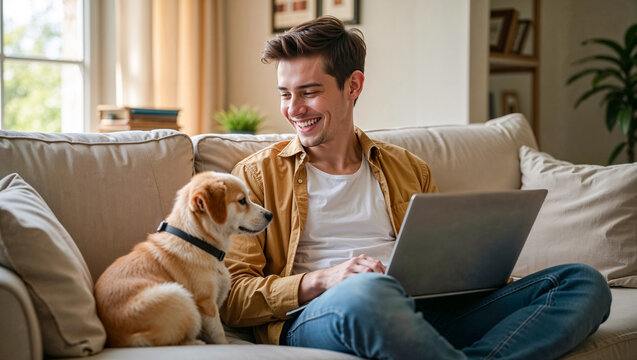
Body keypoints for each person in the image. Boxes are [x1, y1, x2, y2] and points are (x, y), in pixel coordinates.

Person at [220, 16, 611, 359]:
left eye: (308, 92)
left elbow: (442, 266)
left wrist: (480, 276)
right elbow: (231, 296)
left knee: (581, 282)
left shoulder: (407, 168)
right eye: (286, 94)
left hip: (419, 310)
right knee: (369, 293)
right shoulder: (255, 176)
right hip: (325, 313)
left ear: (353, 85)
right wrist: (323, 279)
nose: (293, 109)